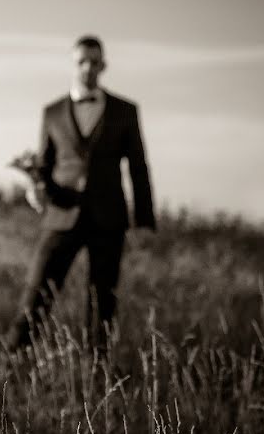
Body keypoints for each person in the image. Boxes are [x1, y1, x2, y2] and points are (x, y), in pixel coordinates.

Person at [9, 35, 156, 352]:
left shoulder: (125, 111)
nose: (88, 67)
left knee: (102, 306)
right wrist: (36, 190)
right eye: (82, 61)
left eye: (94, 61)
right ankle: (7, 370)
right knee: (35, 296)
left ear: (104, 65)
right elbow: (45, 166)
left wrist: (143, 222)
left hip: (109, 220)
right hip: (61, 216)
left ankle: (97, 382)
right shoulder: (52, 113)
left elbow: (139, 167)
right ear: (73, 65)